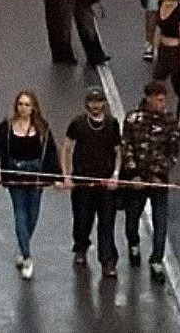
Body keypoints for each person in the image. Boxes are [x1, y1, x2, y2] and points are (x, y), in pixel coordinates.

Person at [0, 89, 61, 280]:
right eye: (20, 104)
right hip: (15, 177)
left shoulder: (43, 128)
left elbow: (51, 152)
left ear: (34, 107)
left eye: (27, 104)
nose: (23, 108)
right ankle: (27, 257)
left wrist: (57, 176)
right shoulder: (7, 127)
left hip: (36, 177)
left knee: (32, 215)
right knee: (20, 213)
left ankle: (22, 245)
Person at [120, 80, 180, 281]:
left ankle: (156, 259)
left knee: (160, 223)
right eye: (158, 100)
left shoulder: (170, 121)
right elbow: (126, 148)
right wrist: (134, 174)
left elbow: (173, 152)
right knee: (131, 220)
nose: (162, 104)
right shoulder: (132, 119)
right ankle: (134, 244)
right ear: (148, 98)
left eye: (163, 100)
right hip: (137, 179)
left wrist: (159, 174)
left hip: (158, 180)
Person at [63, 87, 123, 276]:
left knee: (106, 223)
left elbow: (119, 151)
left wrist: (115, 174)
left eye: (99, 102)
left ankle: (107, 261)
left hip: (105, 184)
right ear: (87, 103)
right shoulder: (78, 123)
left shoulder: (112, 124)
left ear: (104, 104)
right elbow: (65, 147)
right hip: (82, 182)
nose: (95, 105)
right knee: (82, 220)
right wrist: (66, 176)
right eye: (92, 102)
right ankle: (81, 246)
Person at [150, 0, 180, 134]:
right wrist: (155, 49)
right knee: (156, 84)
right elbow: (158, 29)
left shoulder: (178, 11)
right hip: (163, 50)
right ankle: (154, 115)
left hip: (174, 52)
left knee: (179, 88)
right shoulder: (161, 4)